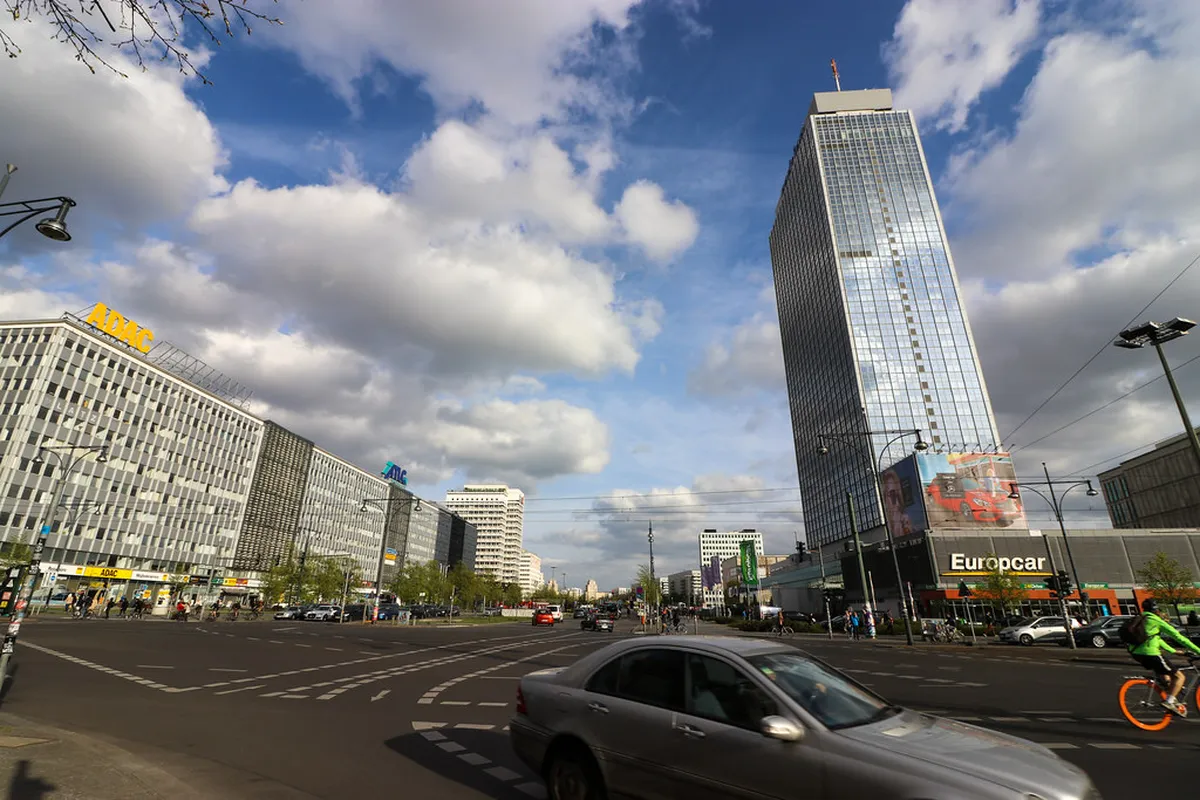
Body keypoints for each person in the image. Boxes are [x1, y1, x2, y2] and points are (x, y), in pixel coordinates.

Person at [1128, 598, 1200, 716]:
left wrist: (1173, 651)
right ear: (1156, 610)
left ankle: (1170, 695)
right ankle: (1169, 702)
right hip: (1150, 653)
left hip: (1136, 653)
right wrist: (1198, 650)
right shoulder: (1155, 620)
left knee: (1165, 674)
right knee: (1179, 676)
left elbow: (1155, 639)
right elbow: (1178, 637)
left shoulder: (1140, 619)